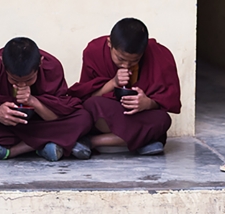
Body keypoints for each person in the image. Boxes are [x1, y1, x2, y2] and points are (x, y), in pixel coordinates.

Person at [0, 37, 94, 162]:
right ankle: (47, 144)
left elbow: (58, 113)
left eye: (29, 80)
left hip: (40, 124)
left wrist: (34, 102)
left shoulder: (52, 66)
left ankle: (10, 151)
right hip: (3, 127)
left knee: (83, 118)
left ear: (40, 63)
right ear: (2, 63)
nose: (21, 85)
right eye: (14, 80)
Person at [67, 18, 181, 155]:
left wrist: (148, 103)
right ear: (109, 43)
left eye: (135, 60)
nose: (126, 65)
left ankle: (92, 142)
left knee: (163, 119)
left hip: (139, 115)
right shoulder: (94, 51)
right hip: (111, 112)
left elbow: (167, 98)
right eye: (120, 59)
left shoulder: (159, 54)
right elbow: (85, 96)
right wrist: (113, 83)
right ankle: (142, 140)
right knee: (91, 105)